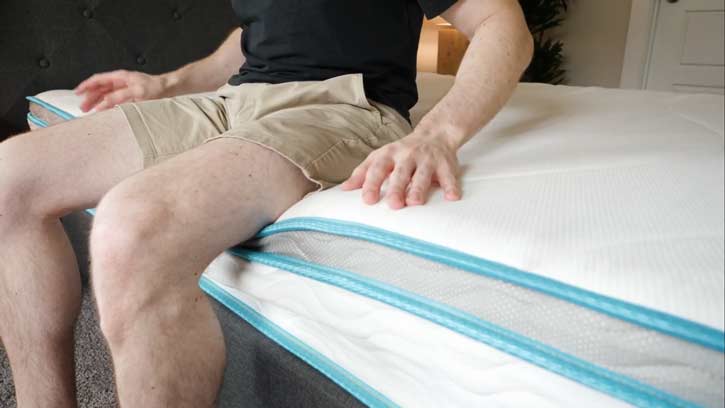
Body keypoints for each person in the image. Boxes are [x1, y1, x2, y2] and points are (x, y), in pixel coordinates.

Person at [0, 0, 532, 406]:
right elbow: (259, 32)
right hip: (235, 99)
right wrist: (170, 82)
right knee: (8, 177)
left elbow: (500, 22)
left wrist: (438, 133)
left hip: (344, 104)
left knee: (132, 227)